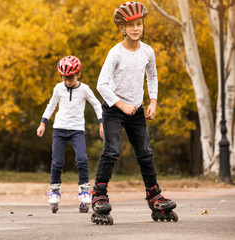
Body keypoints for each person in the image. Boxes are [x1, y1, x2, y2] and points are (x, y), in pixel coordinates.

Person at [91, 1, 177, 224]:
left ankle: (154, 194)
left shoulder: (148, 51)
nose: (136, 28)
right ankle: (99, 195)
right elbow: (102, 85)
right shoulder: (115, 53)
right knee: (111, 151)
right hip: (113, 110)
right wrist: (121, 105)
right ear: (122, 28)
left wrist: (153, 101)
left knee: (146, 153)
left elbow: (153, 77)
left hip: (137, 110)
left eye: (139, 24)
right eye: (131, 25)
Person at [37, 55, 103, 213]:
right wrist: (43, 123)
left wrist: (102, 122)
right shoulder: (58, 88)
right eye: (65, 78)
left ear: (78, 74)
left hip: (77, 130)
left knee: (81, 159)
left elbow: (96, 104)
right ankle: (54, 190)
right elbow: (51, 105)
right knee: (57, 162)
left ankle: (85, 190)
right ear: (61, 76)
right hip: (59, 129)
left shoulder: (85, 89)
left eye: (71, 78)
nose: (68, 81)